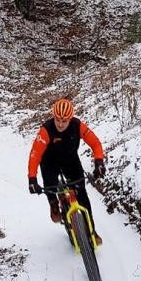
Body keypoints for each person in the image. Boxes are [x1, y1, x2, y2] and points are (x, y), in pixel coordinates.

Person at [27, 96, 106, 244]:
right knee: (50, 185)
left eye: (64, 121)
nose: (61, 124)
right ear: (53, 116)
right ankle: (53, 204)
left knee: (82, 196)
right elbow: (35, 154)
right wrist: (32, 178)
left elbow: (95, 143)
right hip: (49, 162)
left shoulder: (78, 126)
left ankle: (92, 232)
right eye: (57, 120)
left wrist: (99, 161)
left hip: (70, 160)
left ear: (70, 118)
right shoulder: (46, 130)